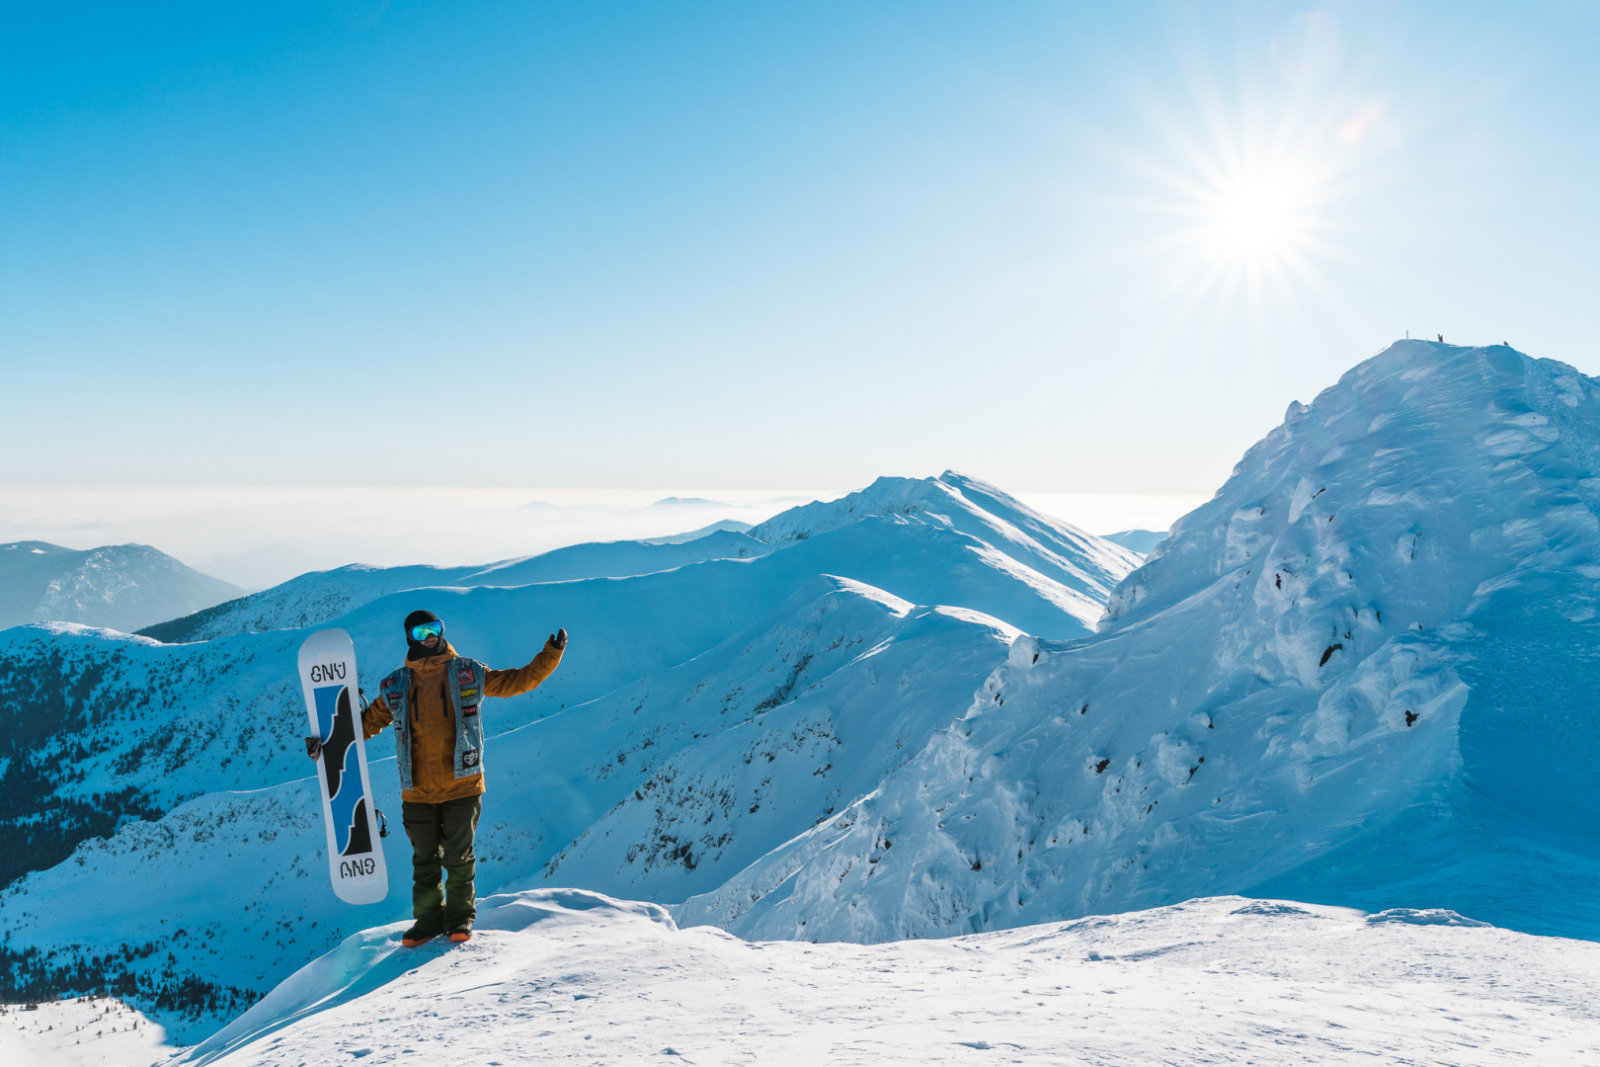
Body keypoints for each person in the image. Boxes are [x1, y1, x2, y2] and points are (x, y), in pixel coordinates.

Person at [305, 609, 567, 946]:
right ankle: (427, 923)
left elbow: (519, 680)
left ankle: (459, 921)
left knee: (459, 858)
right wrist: (327, 743)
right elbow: (365, 725)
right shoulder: (395, 685)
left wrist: (551, 654)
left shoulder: (468, 672)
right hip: (417, 792)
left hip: (462, 785)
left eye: (434, 629)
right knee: (424, 863)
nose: (429, 637)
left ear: (442, 631)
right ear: (410, 638)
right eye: (420, 633)